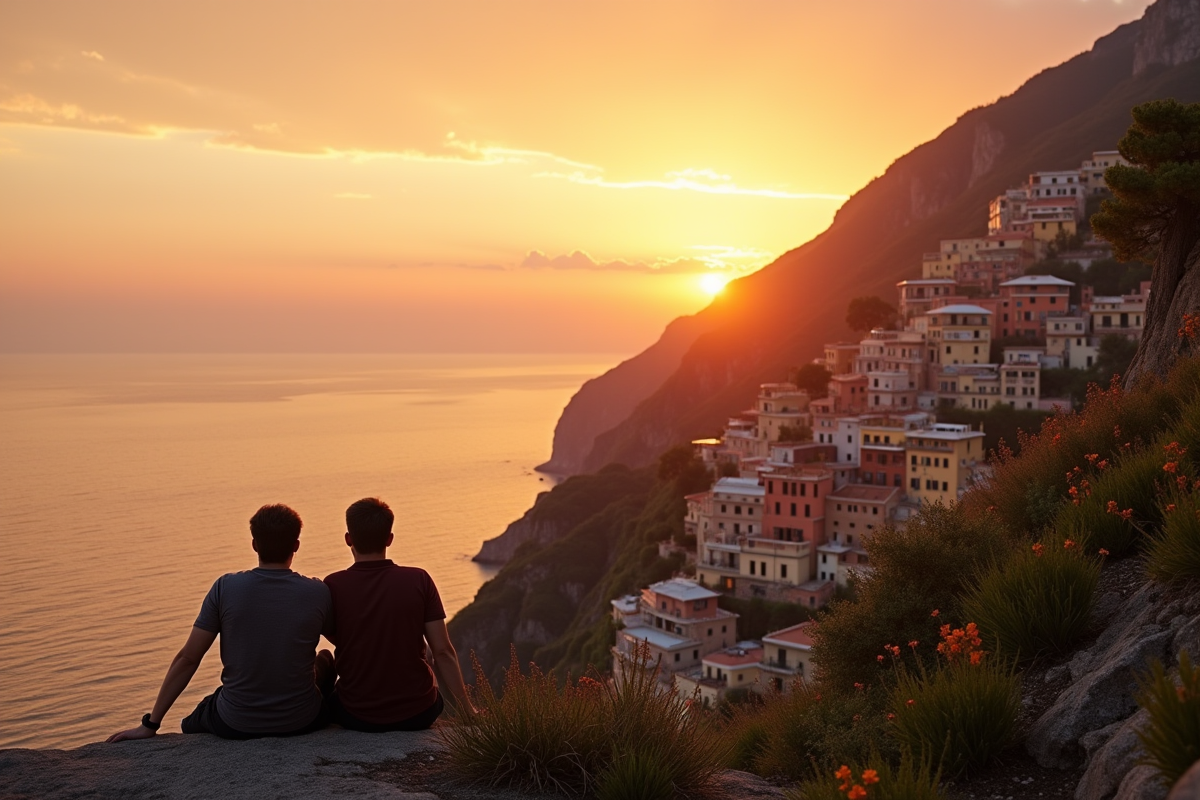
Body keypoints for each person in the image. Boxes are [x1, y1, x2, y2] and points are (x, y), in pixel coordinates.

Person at [107, 504, 333, 742]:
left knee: (192, 721)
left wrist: (150, 724)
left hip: (236, 723)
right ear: (296, 545)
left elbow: (189, 658)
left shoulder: (226, 588)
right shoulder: (317, 592)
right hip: (302, 722)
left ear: (254, 544)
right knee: (326, 660)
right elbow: (346, 643)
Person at [323, 497, 475, 731]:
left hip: (355, 715)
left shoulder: (333, 585)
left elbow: (339, 636)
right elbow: (443, 651)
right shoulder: (419, 579)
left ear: (348, 539)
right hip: (419, 713)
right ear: (389, 539)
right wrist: (468, 710)